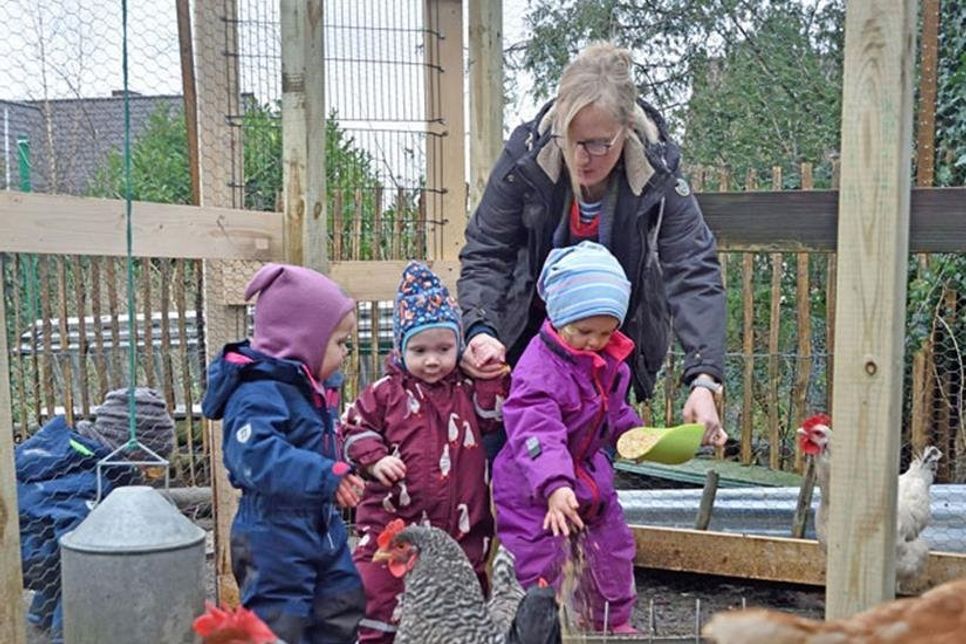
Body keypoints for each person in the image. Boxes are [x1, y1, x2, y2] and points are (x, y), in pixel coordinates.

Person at [458, 41, 728, 448]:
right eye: (573, 140)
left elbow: (693, 269)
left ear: (626, 131)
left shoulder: (657, 173)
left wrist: (704, 379)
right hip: (524, 347)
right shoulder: (525, 158)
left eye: (600, 143)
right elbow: (486, 251)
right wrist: (479, 328)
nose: (583, 157)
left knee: (592, 473)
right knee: (516, 463)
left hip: (600, 352)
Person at [341, 261, 508, 644]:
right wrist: (375, 459)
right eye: (419, 349)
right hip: (393, 522)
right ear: (400, 347)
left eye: (444, 348)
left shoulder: (466, 389)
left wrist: (489, 377)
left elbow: (494, 418)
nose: (432, 360)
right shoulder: (385, 392)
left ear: (458, 346)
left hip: (462, 527)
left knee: (461, 605)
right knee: (379, 595)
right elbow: (353, 427)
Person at [201, 263, 366, 644]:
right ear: (303, 338)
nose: (345, 354)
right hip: (272, 534)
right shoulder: (257, 392)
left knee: (342, 603)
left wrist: (345, 471)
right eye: (340, 343)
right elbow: (255, 457)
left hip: (321, 526)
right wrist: (326, 475)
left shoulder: (310, 388)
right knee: (280, 623)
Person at [492, 241, 645, 634]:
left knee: (612, 549)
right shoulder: (538, 372)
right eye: (584, 331)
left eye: (607, 332)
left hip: (589, 477)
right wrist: (554, 485)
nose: (595, 341)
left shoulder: (608, 360)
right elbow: (536, 432)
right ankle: (543, 629)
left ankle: (609, 623)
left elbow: (613, 408)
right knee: (541, 558)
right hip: (533, 486)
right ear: (559, 318)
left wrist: (634, 432)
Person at [16, 387, 175, 643]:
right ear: (128, 453)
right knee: (96, 554)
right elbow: (79, 564)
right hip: (16, 553)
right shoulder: (88, 486)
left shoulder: (67, 451)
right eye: (150, 470)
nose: (149, 478)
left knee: (63, 540)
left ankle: (40, 618)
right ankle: (68, 633)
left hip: (24, 540)